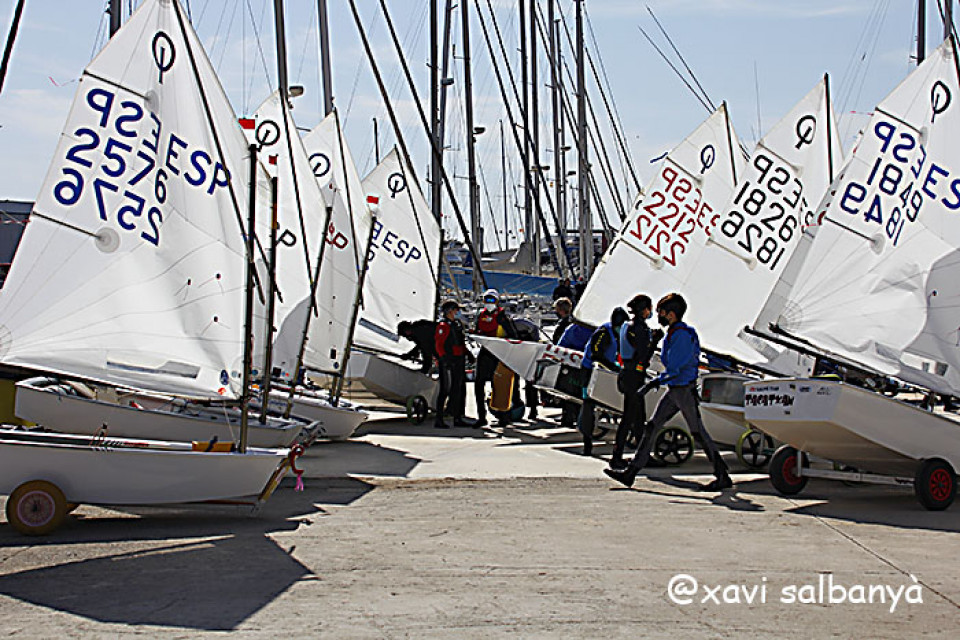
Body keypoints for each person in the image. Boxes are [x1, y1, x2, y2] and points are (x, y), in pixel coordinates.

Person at [604, 293, 733, 491]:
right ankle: (630, 473)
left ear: (671, 314)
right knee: (652, 427)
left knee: (697, 432)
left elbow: (675, 368)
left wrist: (654, 382)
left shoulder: (681, 336)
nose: (658, 316)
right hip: (676, 389)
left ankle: (722, 474)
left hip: (682, 390)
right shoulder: (676, 333)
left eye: (661, 313)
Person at [609, 295, 663, 470]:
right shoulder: (640, 328)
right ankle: (617, 456)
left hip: (627, 374)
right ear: (644, 310)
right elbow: (644, 355)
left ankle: (641, 456)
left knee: (638, 417)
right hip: (634, 377)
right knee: (630, 418)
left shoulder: (627, 325)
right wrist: (655, 341)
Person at [577, 307, 628, 456]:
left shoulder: (613, 332)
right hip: (589, 372)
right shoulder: (604, 333)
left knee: (597, 404)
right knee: (588, 406)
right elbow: (596, 355)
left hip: (602, 371)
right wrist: (613, 367)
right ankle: (587, 443)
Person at [472, 289, 518, 427]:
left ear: (497, 302)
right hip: (485, 351)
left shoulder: (502, 317)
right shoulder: (481, 315)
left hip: (498, 353)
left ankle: (503, 416)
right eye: (486, 300)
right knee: (478, 384)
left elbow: (513, 335)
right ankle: (481, 417)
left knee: (499, 386)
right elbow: (477, 330)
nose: (489, 302)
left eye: (492, 300)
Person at [434, 300, 471, 429]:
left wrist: (468, 354)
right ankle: (439, 419)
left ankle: (457, 417)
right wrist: (444, 359)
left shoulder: (456, 325)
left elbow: (460, 342)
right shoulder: (443, 326)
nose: (457, 312)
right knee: (445, 390)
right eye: (456, 310)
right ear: (449, 311)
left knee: (457, 390)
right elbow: (439, 345)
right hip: (448, 361)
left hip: (458, 360)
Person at [556, 315, 593, 430]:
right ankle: (578, 417)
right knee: (582, 394)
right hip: (587, 366)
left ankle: (567, 418)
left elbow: (561, 346)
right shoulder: (596, 331)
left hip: (570, 365)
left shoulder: (573, 329)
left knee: (568, 392)